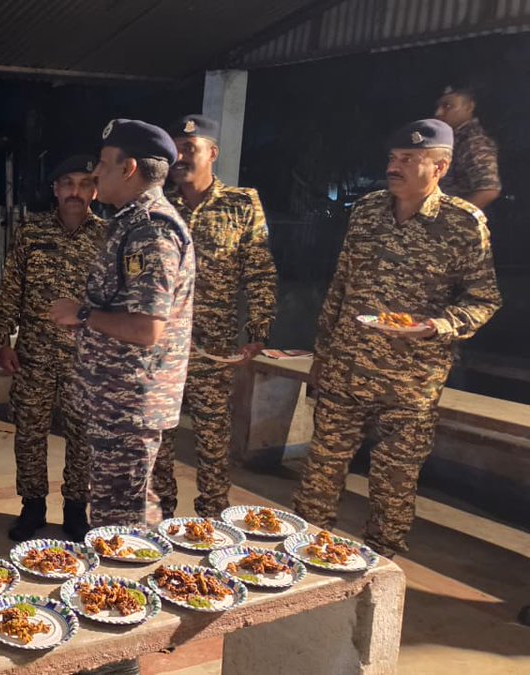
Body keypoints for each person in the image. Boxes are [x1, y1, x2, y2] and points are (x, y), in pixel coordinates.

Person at [293, 119, 502, 558]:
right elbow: (341, 286)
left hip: (410, 385)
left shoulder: (463, 224)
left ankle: (379, 570)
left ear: (440, 167)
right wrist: (323, 354)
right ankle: (304, 559)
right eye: (393, 157)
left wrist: (438, 326)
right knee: (319, 477)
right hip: (346, 371)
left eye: (409, 159)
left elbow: (484, 300)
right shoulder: (368, 210)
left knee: (393, 486)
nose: (395, 166)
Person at [48, 119, 194, 530]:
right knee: (119, 507)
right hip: (118, 398)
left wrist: (80, 314)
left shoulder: (151, 229)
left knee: (122, 519)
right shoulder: (131, 222)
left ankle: (127, 588)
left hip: (131, 402)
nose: (95, 174)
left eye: (103, 164)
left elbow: (147, 328)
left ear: (128, 168)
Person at [153, 114, 277, 519]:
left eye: (190, 149)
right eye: (176, 150)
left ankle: (211, 522)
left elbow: (259, 272)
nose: (181, 157)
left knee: (212, 442)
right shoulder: (157, 205)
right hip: (162, 346)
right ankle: (162, 519)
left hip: (214, 348)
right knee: (160, 440)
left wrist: (257, 331)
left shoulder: (241, 204)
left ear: (213, 153)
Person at [0, 154, 104, 542]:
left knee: (83, 438)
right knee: (29, 434)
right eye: (68, 184)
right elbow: (10, 289)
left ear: (95, 190)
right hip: (34, 356)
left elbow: (113, 303)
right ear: (55, 190)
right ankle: (32, 507)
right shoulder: (31, 232)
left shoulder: (107, 238)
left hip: (86, 360)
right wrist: (2, 340)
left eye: (84, 183)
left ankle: (76, 510)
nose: (76, 191)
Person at [433, 85, 501, 210]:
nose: (438, 112)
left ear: (469, 107)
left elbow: (488, 191)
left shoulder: (473, 141)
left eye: (447, 106)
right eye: (438, 106)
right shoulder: (453, 138)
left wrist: (453, 218)